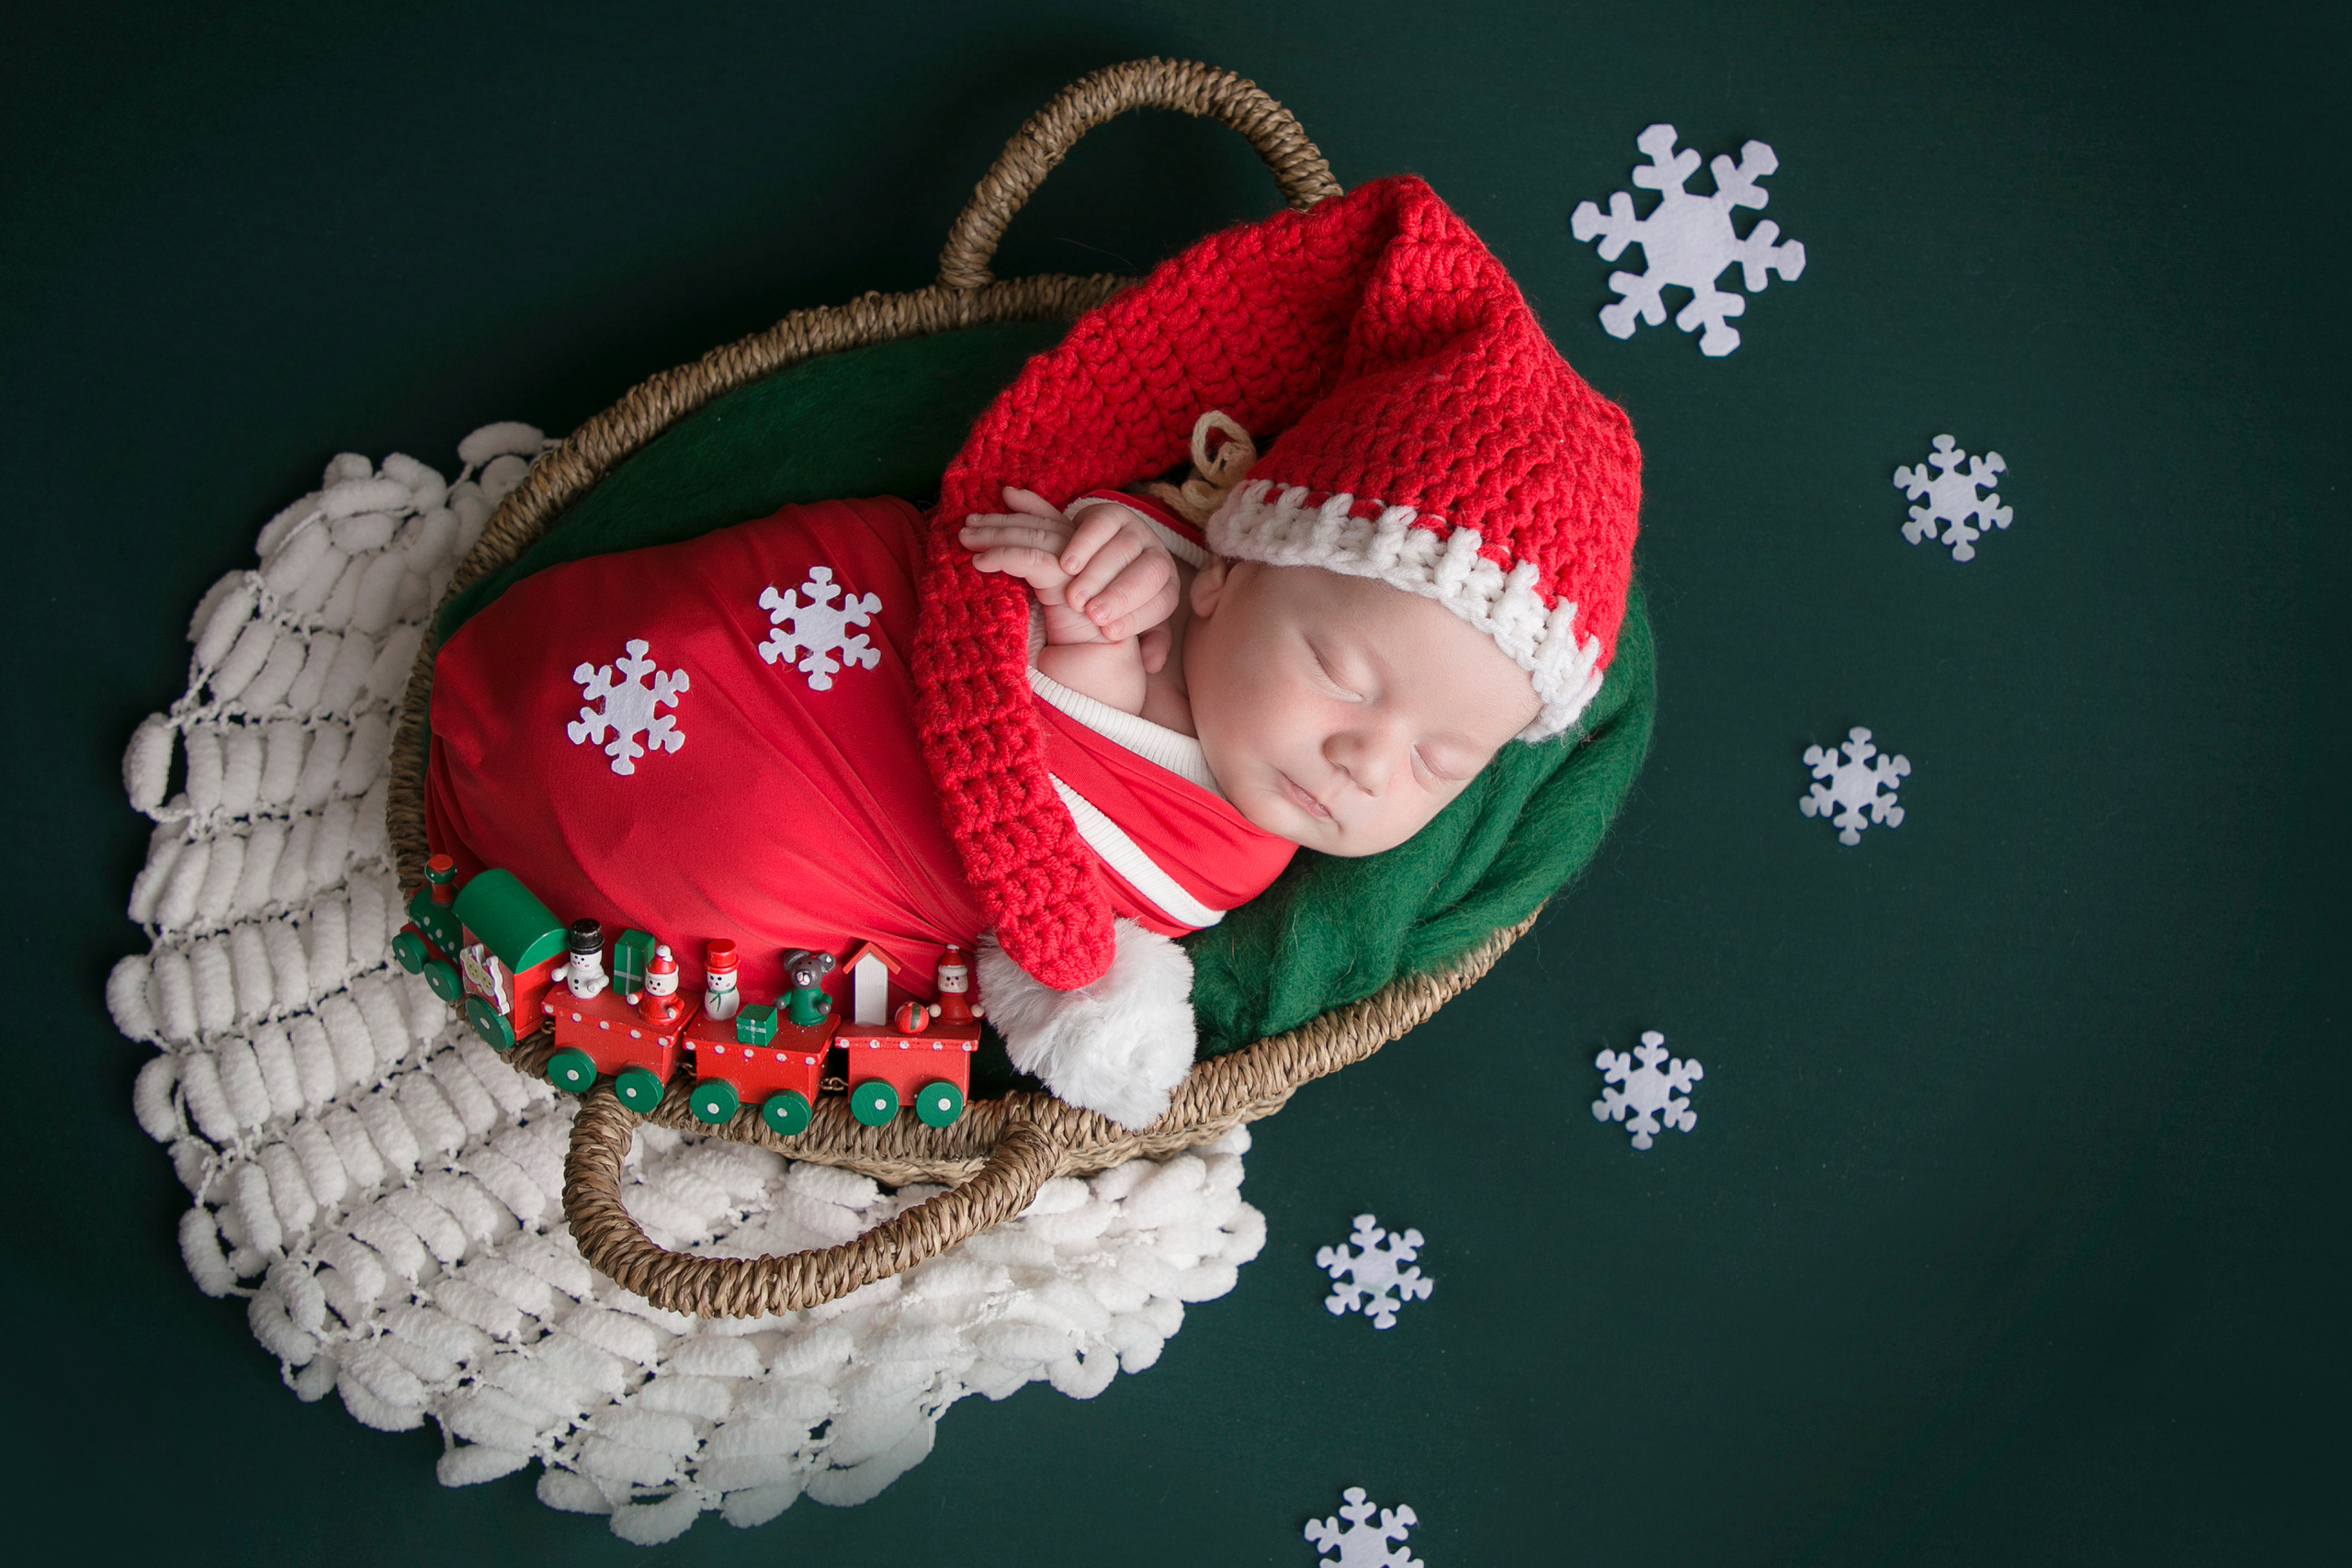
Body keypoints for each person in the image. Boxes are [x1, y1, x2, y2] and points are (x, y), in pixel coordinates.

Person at [424, 174, 1640, 1128]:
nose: (1367, 761)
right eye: (1347, 677)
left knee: (767, 926)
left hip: (863, 892)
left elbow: (1052, 911)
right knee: (692, 749)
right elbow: (1019, 610)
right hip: (805, 693)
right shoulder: (1153, 590)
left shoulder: (1261, 848)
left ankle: (601, 934)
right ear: (1227, 567)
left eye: (1440, 760)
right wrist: (1098, 569)